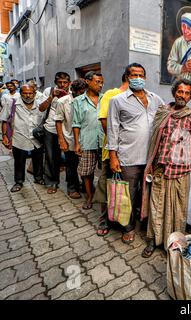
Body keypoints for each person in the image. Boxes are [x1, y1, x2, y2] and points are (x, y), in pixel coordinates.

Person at [141, 78, 191, 258]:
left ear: (190, 96)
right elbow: (155, 138)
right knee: (157, 206)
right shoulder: (163, 111)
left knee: (177, 208)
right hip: (160, 167)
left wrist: (190, 155)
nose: (182, 95)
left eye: (186, 93)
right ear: (174, 92)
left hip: (180, 172)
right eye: (180, 91)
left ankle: (174, 243)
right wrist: (152, 163)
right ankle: (154, 240)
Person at [107, 63, 164, 242]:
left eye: (141, 75)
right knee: (128, 194)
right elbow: (112, 128)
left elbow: (166, 118)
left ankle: (145, 222)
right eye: (134, 75)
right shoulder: (118, 100)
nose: (138, 78)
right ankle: (128, 227)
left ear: (145, 77)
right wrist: (113, 156)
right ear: (127, 77)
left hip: (151, 158)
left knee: (147, 193)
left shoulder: (156, 99)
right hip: (128, 156)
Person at [94, 72, 129, 236]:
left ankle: (123, 220)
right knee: (107, 187)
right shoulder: (111, 94)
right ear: (128, 78)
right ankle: (104, 220)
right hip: (112, 152)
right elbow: (104, 121)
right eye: (135, 76)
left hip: (131, 155)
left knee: (124, 189)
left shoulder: (138, 98)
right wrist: (117, 147)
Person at [0, 85, 45, 192]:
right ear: (21, 93)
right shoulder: (12, 103)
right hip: (19, 137)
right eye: (25, 93)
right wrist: (5, 136)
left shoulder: (40, 104)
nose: (28, 95)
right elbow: (4, 120)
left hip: (36, 138)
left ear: (34, 93)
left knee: (38, 159)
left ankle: (38, 178)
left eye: (30, 93)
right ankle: (19, 182)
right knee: (19, 161)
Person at [72, 71, 104, 210]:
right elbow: (76, 123)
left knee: (105, 172)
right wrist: (77, 143)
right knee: (87, 172)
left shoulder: (105, 99)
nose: (100, 85)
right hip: (87, 141)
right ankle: (90, 196)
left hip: (104, 142)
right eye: (97, 82)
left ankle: (104, 197)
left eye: (102, 82)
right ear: (87, 82)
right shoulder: (78, 101)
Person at [38, 72, 71, 195]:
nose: (62, 85)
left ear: (69, 82)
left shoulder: (72, 91)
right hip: (51, 128)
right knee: (51, 157)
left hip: (67, 129)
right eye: (60, 82)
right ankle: (52, 182)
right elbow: (41, 108)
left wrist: (67, 95)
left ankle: (72, 184)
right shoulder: (49, 90)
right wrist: (51, 96)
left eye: (65, 82)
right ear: (56, 82)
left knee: (70, 158)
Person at [54, 79, 87, 200]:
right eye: (78, 92)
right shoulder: (63, 102)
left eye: (83, 92)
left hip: (85, 138)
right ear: (72, 90)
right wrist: (61, 140)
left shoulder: (86, 99)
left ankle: (85, 185)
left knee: (85, 164)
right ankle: (72, 187)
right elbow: (58, 121)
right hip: (69, 138)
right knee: (71, 164)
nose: (81, 94)